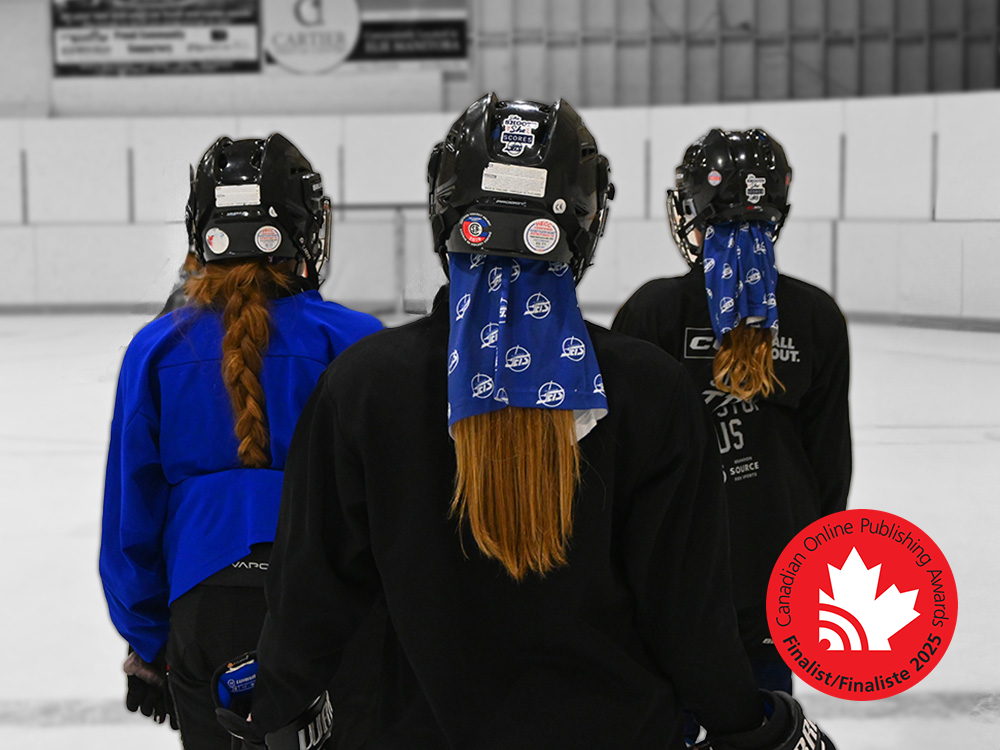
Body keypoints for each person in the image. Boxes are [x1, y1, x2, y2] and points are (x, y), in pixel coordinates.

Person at [216, 96, 836, 750]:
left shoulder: (363, 386)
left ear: (445, 212)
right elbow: (687, 617)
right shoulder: (652, 389)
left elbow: (312, 594)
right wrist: (754, 724)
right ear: (588, 223)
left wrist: (278, 708)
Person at [99, 133, 383, 749]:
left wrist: (150, 643)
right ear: (306, 231)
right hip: (335, 604)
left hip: (204, 609)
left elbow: (131, 519)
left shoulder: (157, 349)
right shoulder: (360, 342)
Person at [612, 128, 852, 699]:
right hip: (775, 581)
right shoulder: (816, 316)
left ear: (692, 210)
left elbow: (616, 462)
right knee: (760, 717)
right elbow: (829, 467)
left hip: (670, 576)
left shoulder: (654, 312)